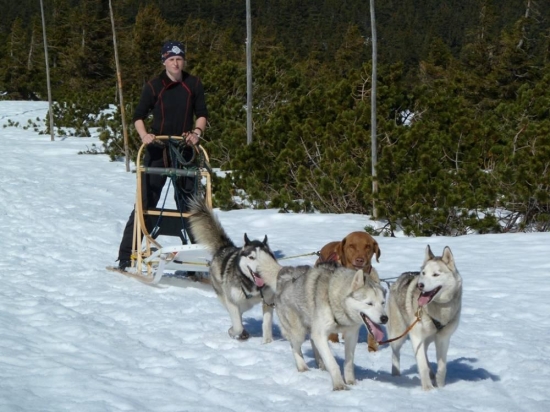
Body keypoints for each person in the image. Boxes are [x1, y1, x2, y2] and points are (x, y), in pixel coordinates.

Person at [116, 40, 208, 270]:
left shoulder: (193, 84)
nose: (176, 63)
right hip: (158, 149)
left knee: (190, 205)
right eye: (171, 60)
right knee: (146, 202)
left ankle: (197, 260)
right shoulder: (154, 85)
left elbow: (202, 114)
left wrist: (197, 132)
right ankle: (127, 255)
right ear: (164, 61)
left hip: (184, 149)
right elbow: (138, 116)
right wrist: (145, 135)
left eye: (179, 59)